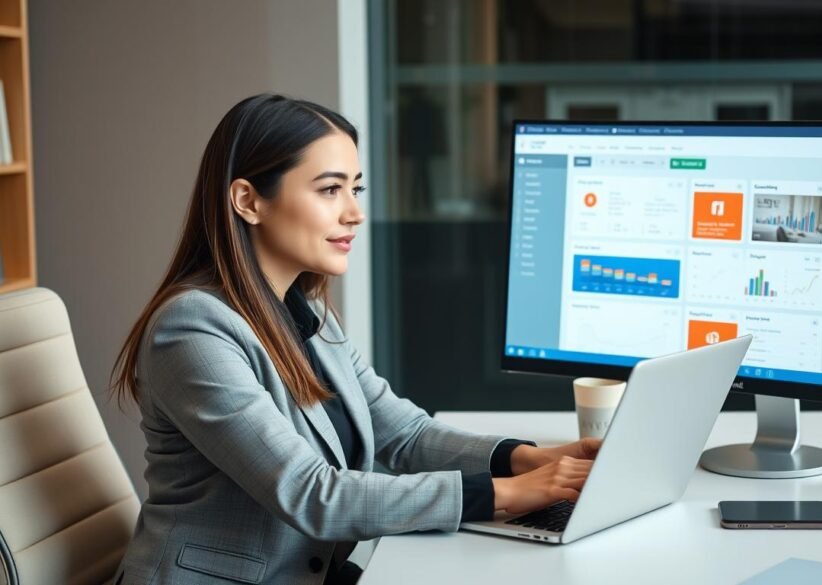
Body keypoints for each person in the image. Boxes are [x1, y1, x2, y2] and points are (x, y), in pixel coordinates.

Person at [109, 94, 600, 585]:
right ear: (248, 201)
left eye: (355, 189)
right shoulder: (192, 329)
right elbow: (312, 494)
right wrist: (506, 494)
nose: (354, 213)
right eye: (329, 190)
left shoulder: (307, 313)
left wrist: (528, 459)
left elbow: (402, 434)